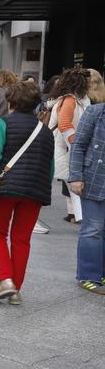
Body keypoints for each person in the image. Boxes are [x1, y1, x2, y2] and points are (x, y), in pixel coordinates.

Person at [0, 81, 55, 305]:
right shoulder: (45, 130)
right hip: (35, 189)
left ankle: (5, 280)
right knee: (22, 239)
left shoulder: (3, 123)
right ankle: (16, 289)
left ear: (11, 101)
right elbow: (49, 166)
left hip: (6, 187)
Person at [70, 101, 105, 293]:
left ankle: (102, 273)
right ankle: (88, 276)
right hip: (94, 178)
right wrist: (76, 176)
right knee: (93, 229)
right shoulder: (95, 112)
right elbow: (79, 145)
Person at [49, 68, 91, 225]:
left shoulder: (71, 100)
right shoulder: (70, 100)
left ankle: (82, 218)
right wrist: (77, 145)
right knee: (75, 186)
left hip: (64, 148)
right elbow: (65, 125)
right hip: (66, 148)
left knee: (75, 188)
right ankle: (83, 219)